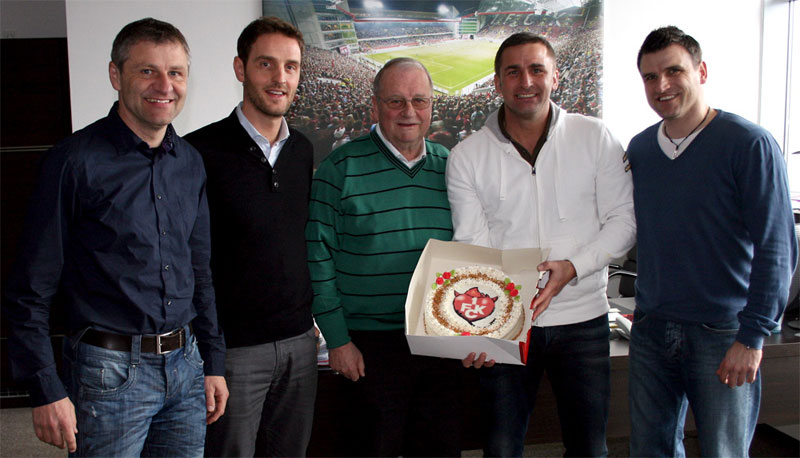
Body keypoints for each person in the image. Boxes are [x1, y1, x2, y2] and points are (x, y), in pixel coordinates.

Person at [3, 18, 228, 456]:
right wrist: (44, 388)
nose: (164, 85)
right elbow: (29, 289)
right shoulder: (73, 162)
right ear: (115, 75)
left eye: (176, 72)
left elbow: (199, 271)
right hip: (106, 374)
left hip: (185, 368)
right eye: (147, 71)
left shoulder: (190, 163)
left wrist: (213, 363)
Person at [446, 33, 636, 457]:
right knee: (501, 447)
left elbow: (624, 221)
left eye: (536, 69)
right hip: (509, 326)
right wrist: (481, 329)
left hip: (584, 319)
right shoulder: (467, 155)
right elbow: (473, 244)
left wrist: (573, 265)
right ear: (497, 83)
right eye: (512, 71)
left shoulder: (595, 137)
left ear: (555, 76)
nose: (525, 81)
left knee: (589, 447)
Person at [627, 26, 798, 457]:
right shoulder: (642, 148)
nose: (661, 86)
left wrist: (753, 337)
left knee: (722, 450)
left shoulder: (749, 143)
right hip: (650, 328)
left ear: (701, 71)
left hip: (723, 333)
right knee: (651, 449)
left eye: (673, 71)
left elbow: (777, 248)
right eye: (649, 77)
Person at [306, 57, 461, 457]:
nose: (409, 112)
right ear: (374, 107)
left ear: (431, 107)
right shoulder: (338, 169)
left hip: (439, 340)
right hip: (369, 345)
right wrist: (338, 340)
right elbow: (317, 260)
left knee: (439, 448)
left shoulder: (453, 167)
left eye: (419, 101)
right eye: (396, 101)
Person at [183, 16, 317, 457]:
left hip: (300, 343)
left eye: (291, 67)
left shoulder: (303, 150)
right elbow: (191, 260)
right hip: (234, 351)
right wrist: (210, 354)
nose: (281, 78)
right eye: (267, 64)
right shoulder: (198, 152)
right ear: (241, 69)